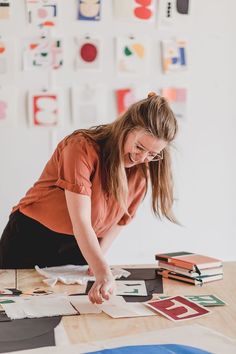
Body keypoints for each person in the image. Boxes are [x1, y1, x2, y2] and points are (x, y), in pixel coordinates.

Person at [0, 92, 178, 304]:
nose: (142, 158)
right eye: (139, 147)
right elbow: (81, 221)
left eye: (152, 154)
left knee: (67, 312)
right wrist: (103, 270)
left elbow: (120, 221)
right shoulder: (80, 148)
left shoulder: (141, 172)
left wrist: (96, 262)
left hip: (79, 246)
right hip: (30, 238)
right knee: (12, 313)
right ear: (126, 128)